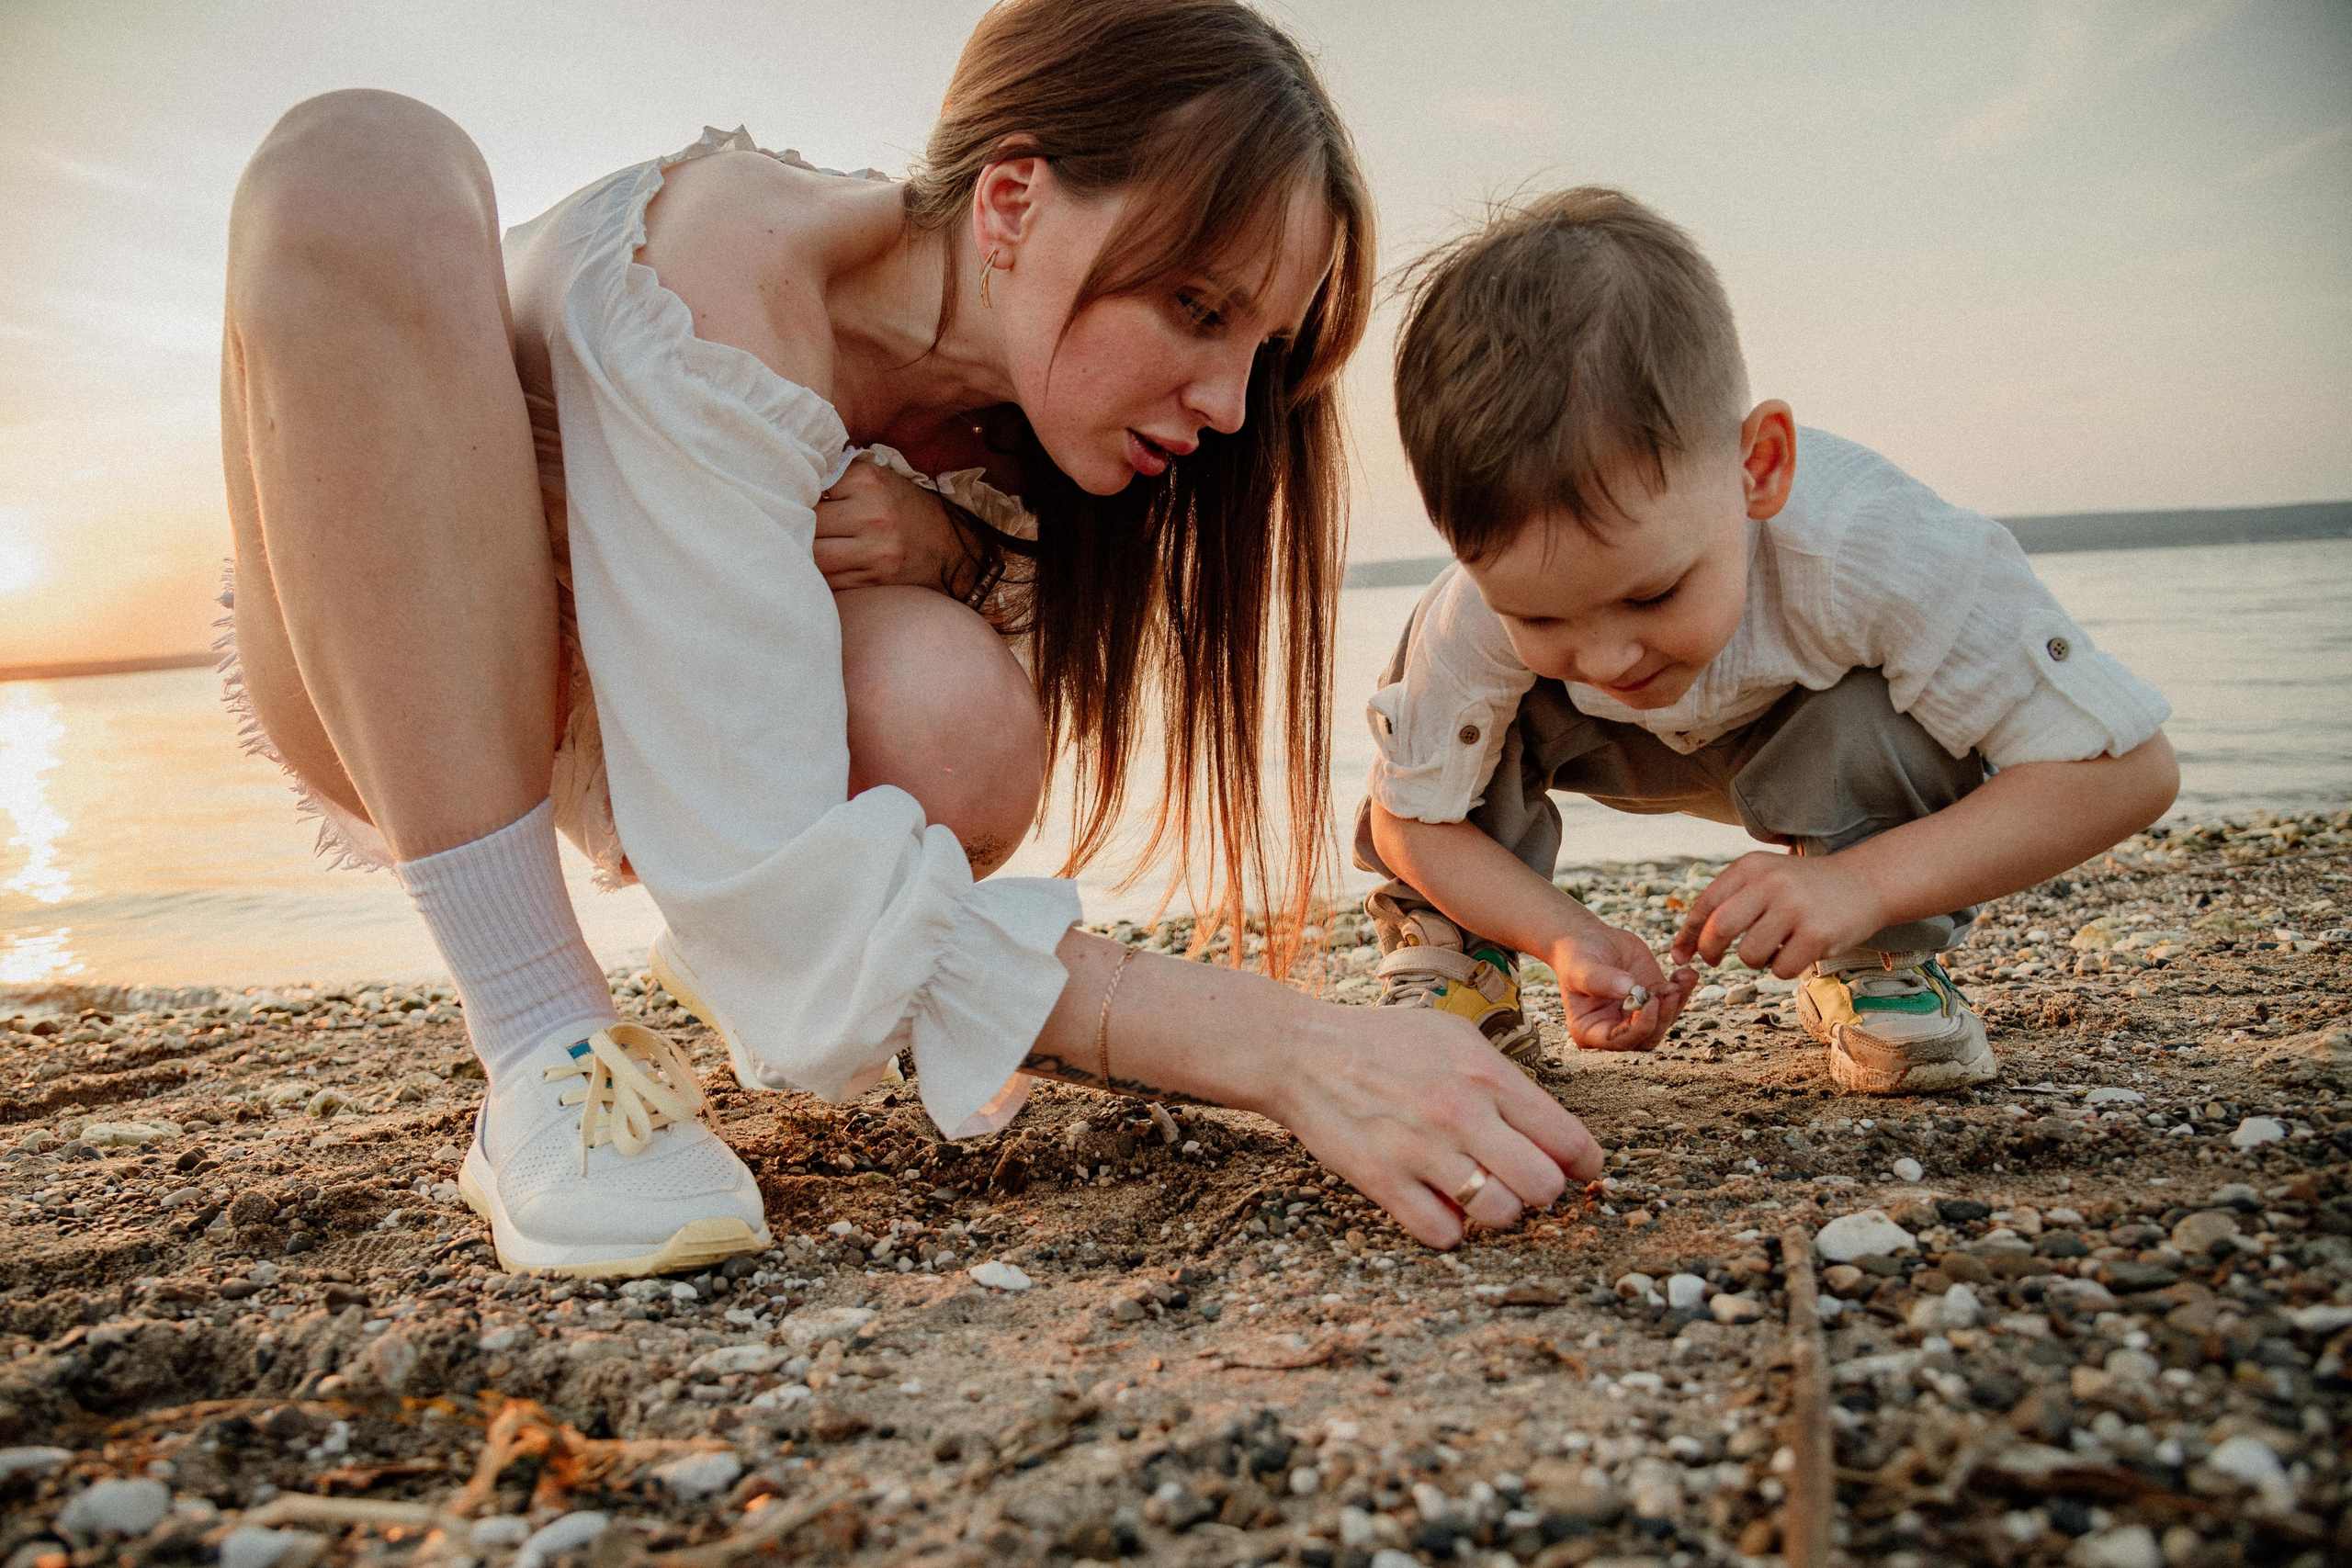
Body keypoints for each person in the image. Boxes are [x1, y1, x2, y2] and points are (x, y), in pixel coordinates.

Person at [217, 0, 1600, 1276]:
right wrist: (1299, 1046)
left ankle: (739, 929)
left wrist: (962, 549)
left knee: (956, 709)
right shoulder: (726, 280)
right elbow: (783, 857)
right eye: (1195, 308)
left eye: (1259, 345)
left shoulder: (1038, 438)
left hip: (684, 742)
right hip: (413, 675)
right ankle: (540, 1034)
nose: (1233, 402)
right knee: (360, 156)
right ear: (1011, 200)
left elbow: (955, 704)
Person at [1355, 187, 2180, 1096]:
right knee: (1432, 751)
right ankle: (1463, 956)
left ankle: (1873, 955)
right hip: (1595, 750)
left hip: (1815, 739)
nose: (1607, 659)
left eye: (1653, 592)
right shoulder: (1476, 606)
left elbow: (2127, 772)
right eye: (1541, 616)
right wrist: (1562, 933)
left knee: (1895, 714)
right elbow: (1409, 821)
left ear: (1760, 466)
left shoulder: (1879, 547)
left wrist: (1859, 886)